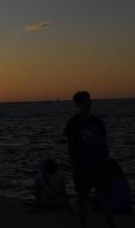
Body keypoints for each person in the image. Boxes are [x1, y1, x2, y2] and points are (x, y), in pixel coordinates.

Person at [63, 91, 117, 228]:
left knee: (105, 197)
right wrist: (74, 165)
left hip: (100, 165)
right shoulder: (73, 123)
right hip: (82, 167)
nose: (89, 103)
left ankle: (111, 224)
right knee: (82, 198)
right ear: (79, 104)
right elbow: (70, 146)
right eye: (86, 101)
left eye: (90, 100)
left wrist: (107, 162)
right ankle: (83, 225)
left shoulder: (98, 122)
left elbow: (104, 144)